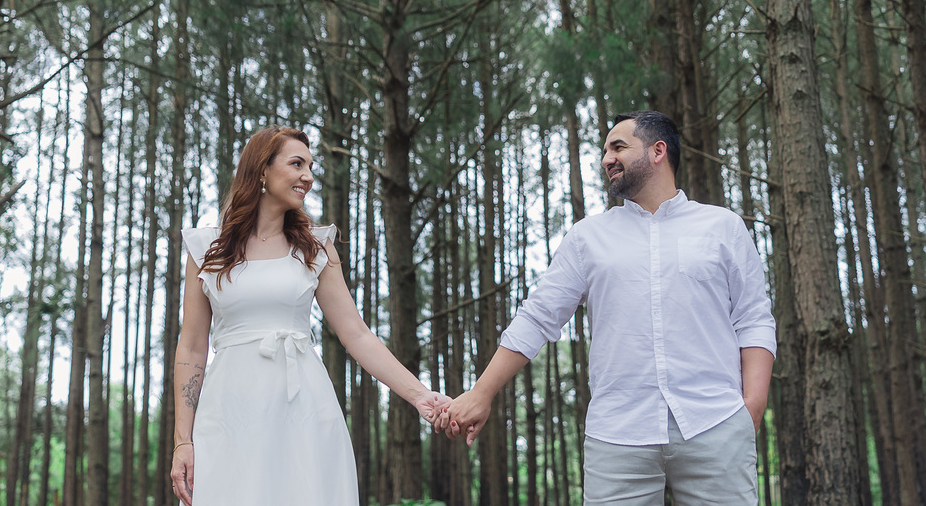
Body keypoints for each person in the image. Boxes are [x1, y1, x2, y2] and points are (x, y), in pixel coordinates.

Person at [436, 111, 776, 505]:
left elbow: (753, 319)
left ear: (658, 151)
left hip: (715, 426)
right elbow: (537, 316)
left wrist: (752, 405)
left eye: (618, 147)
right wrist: (482, 392)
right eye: (603, 151)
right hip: (618, 438)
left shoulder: (723, 227)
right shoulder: (588, 237)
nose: (606, 159)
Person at [170, 126, 446, 505]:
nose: (308, 176)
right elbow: (191, 345)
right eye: (296, 163)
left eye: (311, 167)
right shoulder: (207, 248)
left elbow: (358, 335)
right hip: (229, 411)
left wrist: (420, 396)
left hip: (304, 411)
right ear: (261, 171)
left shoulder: (316, 249)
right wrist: (183, 440)